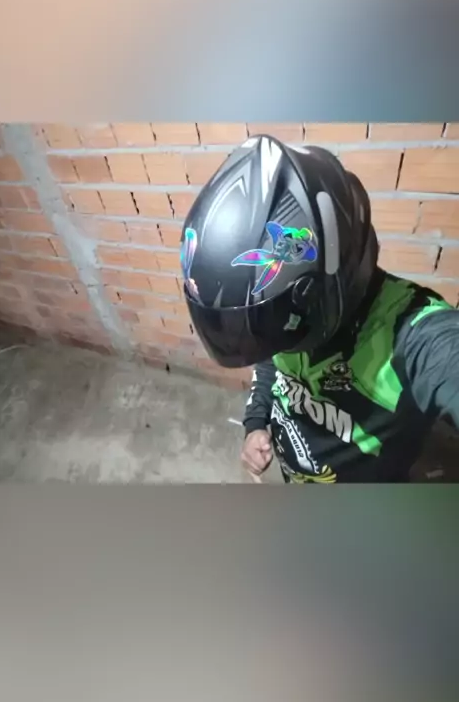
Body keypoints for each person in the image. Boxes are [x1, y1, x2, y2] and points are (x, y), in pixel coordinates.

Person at [180, 135, 459, 483]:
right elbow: (269, 357)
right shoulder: (283, 324)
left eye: (268, 324)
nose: (268, 341)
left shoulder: (415, 337)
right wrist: (255, 423)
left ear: (324, 290)